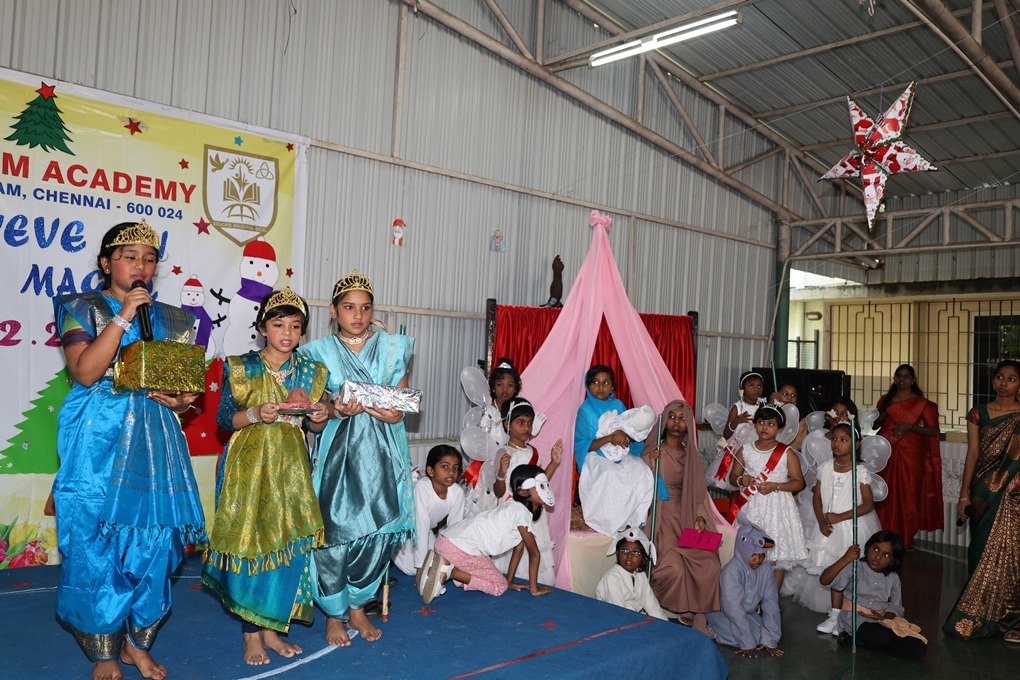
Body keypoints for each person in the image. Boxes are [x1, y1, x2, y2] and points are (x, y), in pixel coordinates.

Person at [52, 221, 206, 680]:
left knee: (158, 542)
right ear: (106, 263)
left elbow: (184, 390)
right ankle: (105, 650)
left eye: (149, 258)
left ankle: (138, 642)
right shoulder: (81, 308)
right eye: (129, 256)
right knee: (93, 538)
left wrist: (182, 401)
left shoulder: (175, 320)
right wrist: (122, 316)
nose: (141, 266)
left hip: (155, 437)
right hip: (97, 435)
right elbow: (85, 372)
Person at [202, 289, 329, 665]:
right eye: (278, 324)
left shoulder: (312, 372)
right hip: (249, 469)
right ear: (262, 328)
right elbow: (224, 420)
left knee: (287, 546)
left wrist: (319, 418)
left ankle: (271, 628)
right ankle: (250, 634)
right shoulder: (242, 368)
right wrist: (256, 413)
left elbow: (311, 427)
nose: (287, 333)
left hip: (291, 472)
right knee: (251, 545)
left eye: (295, 326)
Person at [298, 269, 415, 647]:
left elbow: (400, 401)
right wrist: (334, 410)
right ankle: (334, 614)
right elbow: (314, 417)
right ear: (334, 311)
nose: (358, 315)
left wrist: (394, 415)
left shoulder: (393, 348)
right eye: (349, 307)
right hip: (339, 455)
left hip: (383, 452)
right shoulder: (317, 353)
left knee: (378, 535)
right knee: (333, 536)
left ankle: (357, 607)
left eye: (365, 308)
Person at [944, 359, 1020, 642]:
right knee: (979, 551)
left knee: (1013, 557)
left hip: (1014, 494)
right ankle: (977, 616)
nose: (1004, 383)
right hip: (983, 494)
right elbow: (973, 453)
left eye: (1011, 379)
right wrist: (964, 494)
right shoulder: (979, 413)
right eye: (999, 377)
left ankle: (1011, 620)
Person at [418, 464, 555, 603]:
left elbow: (518, 549)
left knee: (491, 576)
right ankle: (449, 572)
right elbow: (534, 553)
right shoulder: (522, 514)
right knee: (500, 586)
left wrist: (510, 581)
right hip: (459, 550)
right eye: (541, 486)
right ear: (523, 492)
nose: (547, 490)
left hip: (445, 541)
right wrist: (533, 589)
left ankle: (436, 568)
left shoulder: (512, 507)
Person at [641, 400, 721, 627]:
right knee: (673, 566)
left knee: (710, 563)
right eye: (672, 417)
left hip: (687, 516)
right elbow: (639, 487)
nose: (677, 422)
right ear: (664, 421)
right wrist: (650, 465)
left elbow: (698, 495)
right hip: (660, 516)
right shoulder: (653, 452)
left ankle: (698, 609)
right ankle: (672, 605)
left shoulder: (690, 456)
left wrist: (700, 517)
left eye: (682, 418)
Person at [804, 421, 880, 631]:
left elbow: (868, 504)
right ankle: (834, 615)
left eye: (843, 440)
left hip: (851, 526)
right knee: (834, 570)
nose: (837, 443)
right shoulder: (825, 467)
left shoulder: (860, 471)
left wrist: (841, 516)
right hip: (829, 528)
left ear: (856, 444)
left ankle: (848, 613)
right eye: (834, 439)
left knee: (850, 572)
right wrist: (821, 521)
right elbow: (817, 497)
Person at [727, 405, 807, 590]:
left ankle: (772, 597)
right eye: (761, 422)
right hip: (751, 507)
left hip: (777, 508)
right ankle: (749, 594)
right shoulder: (745, 450)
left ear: (779, 428)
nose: (765, 427)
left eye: (771, 424)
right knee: (749, 551)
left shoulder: (786, 453)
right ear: (754, 425)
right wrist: (741, 480)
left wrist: (775, 486)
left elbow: (798, 483)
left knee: (776, 556)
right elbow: (732, 477)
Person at [575, 365, 656, 536]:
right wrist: (610, 437)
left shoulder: (618, 405)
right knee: (610, 473)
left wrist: (624, 435)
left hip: (620, 452)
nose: (600, 387)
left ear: (612, 387)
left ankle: (630, 522)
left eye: (606, 383)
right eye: (595, 382)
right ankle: (608, 522)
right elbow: (584, 445)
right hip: (595, 454)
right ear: (588, 385)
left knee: (641, 471)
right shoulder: (585, 410)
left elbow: (628, 429)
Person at [820, 531, 926, 658]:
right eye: (875, 549)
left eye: (886, 555)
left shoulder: (893, 578)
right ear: (868, 547)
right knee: (880, 636)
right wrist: (845, 559)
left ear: (893, 560)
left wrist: (883, 617)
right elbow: (825, 580)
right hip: (854, 619)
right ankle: (868, 640)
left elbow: (896, 606)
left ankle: (862, 642)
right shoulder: (855, 567)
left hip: (881, 621)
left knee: (919, 646)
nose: (878, 557)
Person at [490, 398, 562, 585]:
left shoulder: (534, 453)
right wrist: (501, 473)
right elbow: (498, 492)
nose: (526, 428)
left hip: (533, 511)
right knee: (514, 547)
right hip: (512, 511)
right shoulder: (503, 453)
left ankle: (534, 585)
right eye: (520, 423)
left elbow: (540, 484)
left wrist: (554, 463)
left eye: (529, 423)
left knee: (533, 549)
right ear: (508, 424)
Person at [874, 364, 942, 549]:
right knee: (885, 495)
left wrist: (910, 427)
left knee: (909, 497)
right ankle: (882, 537)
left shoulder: (922, 404)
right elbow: (875, 425)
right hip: (886, 452)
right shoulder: (885, 400)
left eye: (906, 376)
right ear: (895, 379)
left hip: (911, 456)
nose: (902, 379)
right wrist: (879, 418)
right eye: (899, 376)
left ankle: (904, 539)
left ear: (913, 380)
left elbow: (932, 430)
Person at [706, 521, 783, 658]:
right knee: (745, 639)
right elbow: (733, 609)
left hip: (748, 614)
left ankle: (748, 636)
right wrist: (747, 644)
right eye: (753, 554)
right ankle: (712, 628)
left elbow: (771, 603)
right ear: (743, 549)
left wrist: (770, 640)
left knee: (761, 638)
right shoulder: (732, 571)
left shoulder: (765, 569)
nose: (758, 560)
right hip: (723, 613)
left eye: (762, 555)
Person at [393, 445, 465, 580]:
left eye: (455, 468)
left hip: (425, 530)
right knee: (412, 569)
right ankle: (390, 548)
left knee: (435, 562)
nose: (451, 472)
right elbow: (420, 527)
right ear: (430, 471)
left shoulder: (457, 492)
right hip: (404, 529)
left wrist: (452, 562)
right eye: (445, 467)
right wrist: (420, 568)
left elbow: (455, 529)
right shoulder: (422, 488)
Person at [595, 526, 667, 620]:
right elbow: (618, 613)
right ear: (617, 553)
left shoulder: (640, 575)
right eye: (625, 550)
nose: (629, 556)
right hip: (613, 621)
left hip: (633, 619)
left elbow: (652, 606)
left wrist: (665, 625)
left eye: (636, 552)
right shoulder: (612, 578)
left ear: (643, 558)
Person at [723, 371, 765, 439]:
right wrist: (736, 421)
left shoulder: (763, 407)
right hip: (737, 444)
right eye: (751, 385)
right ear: (742, 389)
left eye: (759, 386)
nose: (757, 389)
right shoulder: (737, 408)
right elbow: (725, 435)